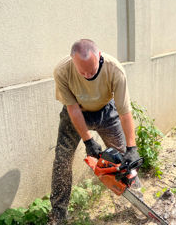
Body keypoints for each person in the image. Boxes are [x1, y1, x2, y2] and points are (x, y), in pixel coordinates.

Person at [48, 39, 141, 224]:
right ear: (72, 61)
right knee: (62, 160)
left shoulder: (114, 69)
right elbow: (72, 109)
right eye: (82, 71)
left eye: (91, 70)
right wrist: (88, 141)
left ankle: (138, 203)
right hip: (75, 113)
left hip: (106, 111)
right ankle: (58, 214)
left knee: (124, 158)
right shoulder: (62, 70)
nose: (87, 75)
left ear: (99, 57)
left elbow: (124, 112)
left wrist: (132, 147)